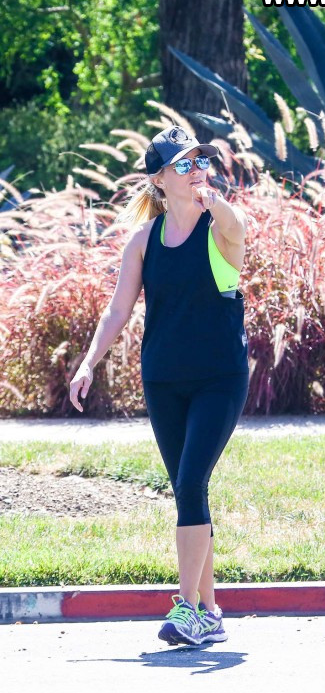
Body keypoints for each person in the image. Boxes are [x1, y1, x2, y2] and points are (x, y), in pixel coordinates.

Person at [69, 125, 249, 646]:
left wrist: (216, 203)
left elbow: (238, 229)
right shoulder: (144, 240)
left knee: (190, 482)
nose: (197, 171)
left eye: (201, 161)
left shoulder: (218, 227)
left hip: (219, 378)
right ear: (159, 178)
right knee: (189, 491)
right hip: (164, 380)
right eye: (184, 164)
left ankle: (187, 607)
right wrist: (88, 362)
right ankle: (210, 612)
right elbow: (118, 310)